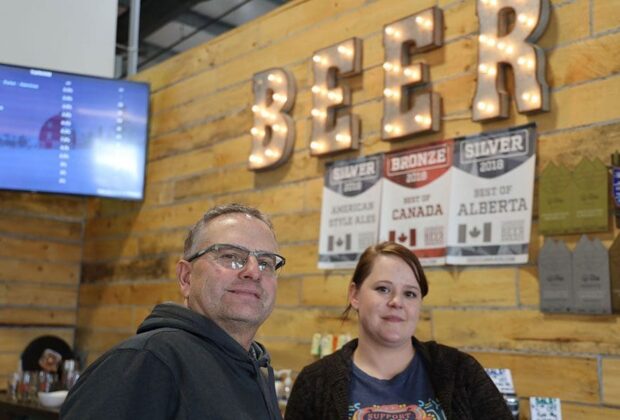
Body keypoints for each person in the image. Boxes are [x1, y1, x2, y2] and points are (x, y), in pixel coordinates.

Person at [61, 203, 286, 420]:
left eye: (266, 263)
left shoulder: (256, 368)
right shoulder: (146, 362)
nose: (253, 272)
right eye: (231, 256)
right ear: (186, 277)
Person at [285, 242, 512, 420]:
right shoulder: (314, 383)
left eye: (410, 294)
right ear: (354, 295)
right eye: (383, 289)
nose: (397, 301)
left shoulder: (461, 371)